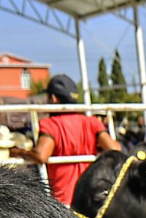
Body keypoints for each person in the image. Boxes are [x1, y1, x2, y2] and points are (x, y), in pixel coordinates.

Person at [9, 73, 122, 205]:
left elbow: (41, 155)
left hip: (63, 200)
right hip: (90, 197)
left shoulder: (50, 124)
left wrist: (17, 152)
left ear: (53, 98)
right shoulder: (92, 122)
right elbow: (115, 149)